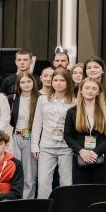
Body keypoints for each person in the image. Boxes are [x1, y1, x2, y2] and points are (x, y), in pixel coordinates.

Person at [31, 67, 76, 198]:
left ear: (68, 82)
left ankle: (65, 208)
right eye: (55, 80)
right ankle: (44, 209)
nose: (58, 83)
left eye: (62, 80)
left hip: (66, 147)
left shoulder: (75, 101)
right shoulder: (42, 99)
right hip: (46, 146)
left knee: (66, 182)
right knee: (43, 181)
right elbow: (37, 123)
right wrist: (35, 145)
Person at [64, 77, 106, 186]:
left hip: (102, 157)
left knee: (101, 192)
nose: (90, 91)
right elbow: (68, 135)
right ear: (81, 91)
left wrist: (96, 151)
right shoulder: (72, 112)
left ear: (98, 92)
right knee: (82, 192)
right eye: (87, 88)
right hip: (81, 158)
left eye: (94, 88)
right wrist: (81, 151)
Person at [9, 72, 39, 198]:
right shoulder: (12, 99)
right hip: (15, 137)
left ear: (33, 82)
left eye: (28, 81)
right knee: (14, 169)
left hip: (31, 137)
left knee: (30, 173)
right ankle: (15, 198)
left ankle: (28, 200)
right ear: (18, 84)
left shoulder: (40, 98)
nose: (26, 85)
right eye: (22, 82)